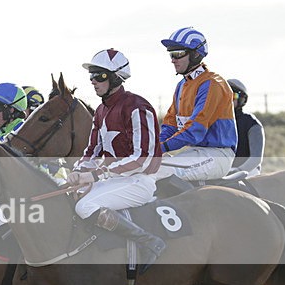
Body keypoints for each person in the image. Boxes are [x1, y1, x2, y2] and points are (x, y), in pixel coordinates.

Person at [66, 49, 165, 270]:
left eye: (99, 76)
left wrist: (93, 175)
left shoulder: (137, 107)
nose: (93, 81)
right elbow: (92, 150)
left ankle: (149, 242)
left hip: (140, 181)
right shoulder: (101, 110)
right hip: (114, 180)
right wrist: (78, 171)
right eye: (91, 76)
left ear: (115, 77)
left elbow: (143, 160)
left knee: (85, 206)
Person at [156, 27, 237, 183]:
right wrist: (154, 146)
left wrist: (161, 149)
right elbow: (170, 126)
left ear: (195, 54)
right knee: (143, 169)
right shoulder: (182, 85)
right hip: (194, 152)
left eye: (178, 54)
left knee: (160, 172)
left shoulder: (212, 84)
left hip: (216, 155)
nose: (173, 59)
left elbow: (195, 130)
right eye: (171, 55)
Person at [227, 78, 264, 177]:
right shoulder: (216, 123)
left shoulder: (251, 124)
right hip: (222, 171)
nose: (228, 99)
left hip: (248, 172)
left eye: (232, 95)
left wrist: (238, 170)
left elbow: (256, 159)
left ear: (241, 99)